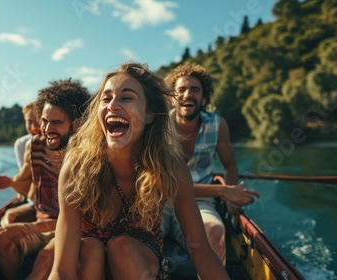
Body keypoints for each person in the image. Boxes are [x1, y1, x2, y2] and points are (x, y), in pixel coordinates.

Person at [49, 62, 229, 280]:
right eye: (106, 98)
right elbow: (62, 270)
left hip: (141, 263)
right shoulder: (77, 165)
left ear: (149, 114)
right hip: (89, 268)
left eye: (126, 97)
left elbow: (201, 251)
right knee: (90, 249)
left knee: (120, 246)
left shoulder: (171, 167)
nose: (112, 106)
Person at [0, 79, 91, 280]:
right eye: (44, 121)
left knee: (45, 258)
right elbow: (23, 185)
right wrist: (9, 182)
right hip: (42, 221)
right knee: (1, 237)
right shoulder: (34, 146)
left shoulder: (86, 156)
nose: (47, 128)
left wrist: (34, 227)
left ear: (76, 125)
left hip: (75, 230)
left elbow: (84, 220)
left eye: (57, 123)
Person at [161, 63, 261, 269]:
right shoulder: (158, 127)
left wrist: (232, 200)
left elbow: (230, 164)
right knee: (134, 234)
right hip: (159, 201)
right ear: (172, 98)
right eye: (181, 90)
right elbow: (163, 184)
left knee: (215, 229)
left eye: (194, 90)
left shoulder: (218, 125)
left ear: (204, 99)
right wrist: (224, 190)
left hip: (201, 203)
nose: (187, 94)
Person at [14, 101, 41, 168]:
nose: (33, 126)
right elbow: (23, 175)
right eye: (29, 121)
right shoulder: (21, 143)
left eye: (38, 121)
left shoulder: (55, 142)